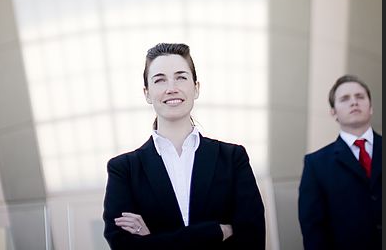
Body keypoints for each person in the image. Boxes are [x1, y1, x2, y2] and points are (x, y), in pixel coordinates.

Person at [103, 42, 266, 249]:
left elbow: (252, 239)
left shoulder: (233, 158)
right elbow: (124, 246)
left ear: (196, 88)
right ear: (146, 93)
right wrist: (215, 232)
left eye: (181, 77)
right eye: (160, 80)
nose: (171, 88)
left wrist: (151, 240)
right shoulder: (124, 169)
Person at [298, 74, 382, 249]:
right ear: (333, 113)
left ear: (371, 107)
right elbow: (313, 228)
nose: (354, 102)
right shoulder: (316, 164)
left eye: (360, 97)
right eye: (345, 99)